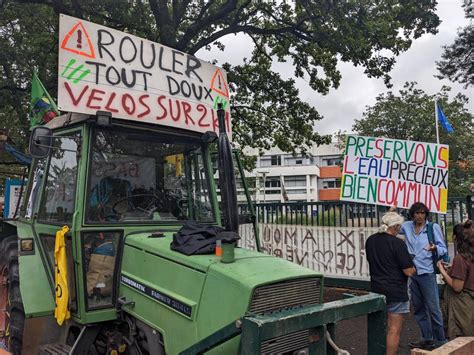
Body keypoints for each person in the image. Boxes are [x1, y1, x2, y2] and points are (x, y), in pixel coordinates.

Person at [366, 211, 416, 355]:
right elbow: (408, 271)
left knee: (378, 327)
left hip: (376, 288)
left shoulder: (371, 240)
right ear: (395, 227)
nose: (399, 230)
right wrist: (414, 266)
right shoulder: (397, 243)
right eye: (399, 227)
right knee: (394, 330)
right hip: (395, 291)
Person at [401, 202, 448, 349]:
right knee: (419, 308)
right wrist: (391, 211)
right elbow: (390, 227)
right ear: (412, 214)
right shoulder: (407, 226)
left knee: (433, 308)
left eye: (422, 213)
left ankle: (440, 340)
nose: (419, 216)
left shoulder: (432, 228)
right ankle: (427, 338)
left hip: (427, 273)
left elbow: (443, 248)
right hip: (412, 273)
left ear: (426, 214)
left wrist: (435, 248)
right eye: (416, 213)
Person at [438, 220, 474, 339]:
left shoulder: (460, 259)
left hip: (462, 306)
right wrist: (453, 269)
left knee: (462, 341)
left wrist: (442, 270)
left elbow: (457, 287)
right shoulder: (469, 256)